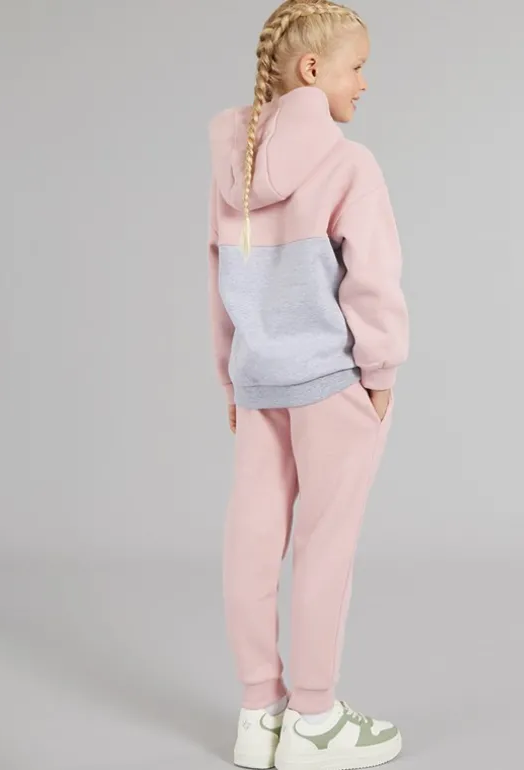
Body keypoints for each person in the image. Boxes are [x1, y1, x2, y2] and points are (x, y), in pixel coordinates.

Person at [206, 2, 409, 768]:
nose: (365, 82)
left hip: (258, 381)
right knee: (326, 547)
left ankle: (258, 714)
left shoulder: (232, 168)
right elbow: (373, 280)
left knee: (252, 542)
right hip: (330, 383)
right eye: (357, 66)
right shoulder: (349, 165)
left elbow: (219, 283)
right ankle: (315, 721)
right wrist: (379, 371)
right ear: (312, 69)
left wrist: (231, 377)